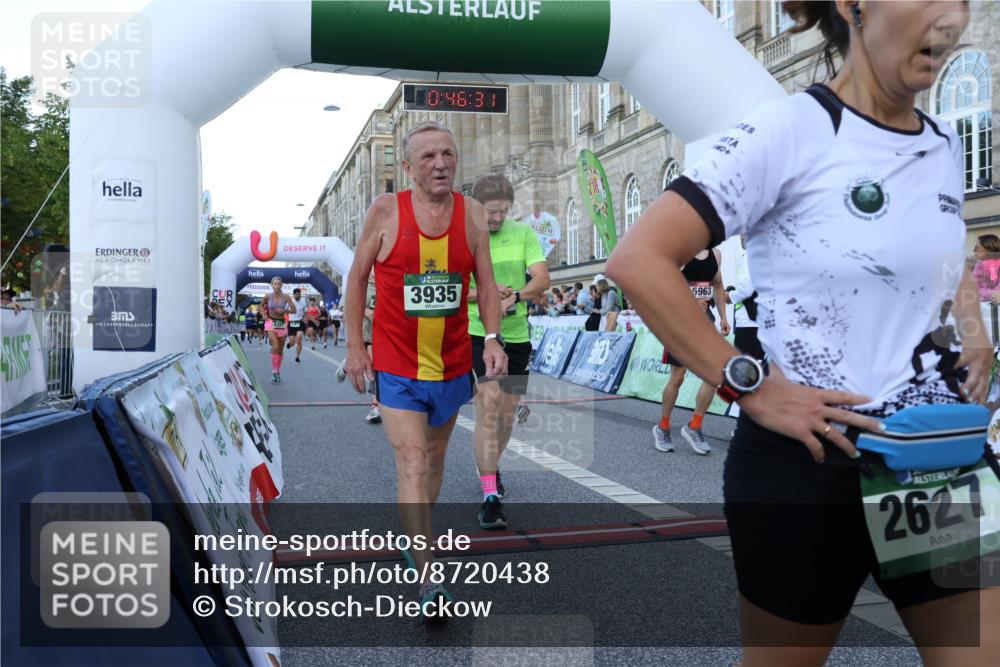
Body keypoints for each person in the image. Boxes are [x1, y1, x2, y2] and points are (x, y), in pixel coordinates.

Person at [608, 1, 998, 664]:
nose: (951, 17)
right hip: (809, 467)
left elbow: (940, 249)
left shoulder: (942, 139)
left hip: (934, 461)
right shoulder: (788, 129)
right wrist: (748, 384)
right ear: (854, 7)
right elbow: (638, 260)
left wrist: (972, 324)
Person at [342, 121, 507, 616]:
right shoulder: (385, 212)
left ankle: (418, 533)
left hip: (453, 361)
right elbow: (356, 279)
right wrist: (355, 346)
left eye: (448, 154)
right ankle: (430, 577)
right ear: (408, 167)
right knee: (412, 462)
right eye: (429, 156)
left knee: (434, 463)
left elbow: (487, 278)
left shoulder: (473, 214)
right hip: (397, 363)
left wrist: (493, 339)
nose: (441, 164)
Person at [468, 173, 549, 529]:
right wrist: (485, 293)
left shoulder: (524, 234)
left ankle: (491, 464)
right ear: (476, 208)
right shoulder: (465, 236)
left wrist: (516, 295)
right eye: (491, 212)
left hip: (517, 336)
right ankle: (489, 495)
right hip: (479, 333)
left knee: (506, 415)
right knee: (488, 407)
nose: (497, 218)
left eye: (503, 211)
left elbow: (543, 278)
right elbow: (454, 289)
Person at [651, 246, 731, 454]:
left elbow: (718, 285)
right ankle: (663, 427)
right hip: (679, 323)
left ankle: (694, 426)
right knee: (677, 377)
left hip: (705, 322)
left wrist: (723, 316)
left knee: (714, 376)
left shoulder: (716, 255)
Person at [261, 277, 296, 383]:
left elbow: (294, 310)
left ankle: (277, 370)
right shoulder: (267, 296)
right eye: (275, 283)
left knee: (280, 350)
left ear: (281, 285)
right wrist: (263, 314)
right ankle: (275, 372)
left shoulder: (286, 297)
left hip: (281, 324)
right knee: (275, 346)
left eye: (278, 283)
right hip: (270, 322)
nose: (277, 285)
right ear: (272, 285)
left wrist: (285, 310)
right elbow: (262, 305)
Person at [972, 234, 1000, 303]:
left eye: (977, 248)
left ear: (989, 248)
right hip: (986, 307)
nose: (974, 250)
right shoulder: (979, 266)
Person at [286, 288, 306, 362]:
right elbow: (285, 310)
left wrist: (306, 318)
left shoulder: (303, 302)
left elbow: (305, 311)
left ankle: (297, 357)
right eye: (296, 294)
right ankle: (290, 344)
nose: (298, 295)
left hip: (299, 322)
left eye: (299, 294)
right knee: (292, 342)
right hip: (291, 323)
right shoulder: (290, 301)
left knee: (299, 338)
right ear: (294, 295)